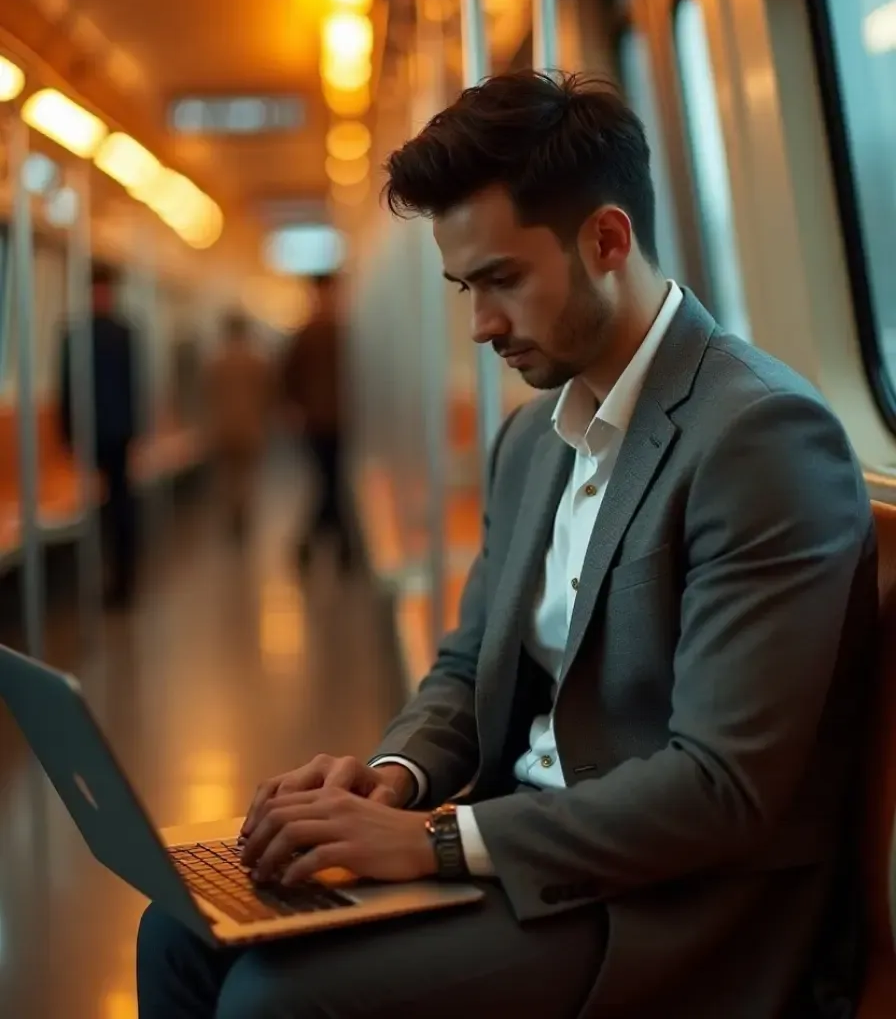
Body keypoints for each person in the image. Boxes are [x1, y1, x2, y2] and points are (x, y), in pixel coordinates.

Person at [137, 71, 877, 1018]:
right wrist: (392, 780)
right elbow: (464, 666)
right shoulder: (533, 439)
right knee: (180, 928)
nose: (482, 324)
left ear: (608, 240)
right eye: (465, 288)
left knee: (271, 1000)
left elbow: (721, 787)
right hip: (527, 848)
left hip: (672, 906)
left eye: (502, 281)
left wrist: (438, 846)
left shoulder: (760, 438)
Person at [59, 261, 138, 608]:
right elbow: (66, 386)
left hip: (116, 432)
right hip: (89, 431)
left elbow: (134, 385)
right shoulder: (75, 334)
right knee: (101, 504)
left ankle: (121, 577)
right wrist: (67, 432)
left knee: (119, 505)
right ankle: (99, 573)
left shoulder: (121, 333)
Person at [280, 273, 354, 569]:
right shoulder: (328, 333)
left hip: (330, 420)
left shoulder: (319, 333)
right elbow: (288, 378)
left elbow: (286, 378)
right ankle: (332, 546)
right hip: (321, 422)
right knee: (330, 482)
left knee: (328, 482)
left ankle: (313, 546)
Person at [203, 310, 273, 539]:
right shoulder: (256, 361)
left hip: (223, 427)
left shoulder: (216, 362)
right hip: (250, 427)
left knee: (227, 476)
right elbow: (267, 396)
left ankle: (233, 515)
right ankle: (243, 514)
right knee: (246, 476)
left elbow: (207, 396)